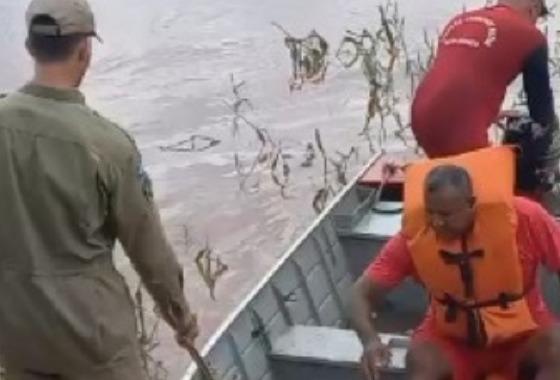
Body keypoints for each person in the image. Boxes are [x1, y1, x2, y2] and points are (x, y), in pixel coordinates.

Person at [0, 0, 198, 379]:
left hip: (15, 331)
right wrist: (179, 316)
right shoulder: (107, 145)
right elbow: (148, 250)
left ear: (29, 48)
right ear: (84, 49)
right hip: (93, 335)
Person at [352, 147, 560, 380]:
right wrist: (370, 340)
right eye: (431, 213)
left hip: (524, 332)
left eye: (446, 214)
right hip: (452, 339)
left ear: (471, 204)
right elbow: (361, 293)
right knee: (420, 362)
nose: (437, 222)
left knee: (557, 348)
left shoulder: (526, 218)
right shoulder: (416, 236)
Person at [411, 0, 558, 163]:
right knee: (543, 146)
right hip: (460, 130)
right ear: (534, 9)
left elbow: (455, 76)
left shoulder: (459, 20)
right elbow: (542, 112)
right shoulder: (532, 37)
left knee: (450, 162)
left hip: (421, 120)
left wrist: (486, 113)